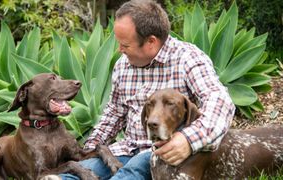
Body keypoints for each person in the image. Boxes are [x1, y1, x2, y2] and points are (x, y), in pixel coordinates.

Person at [60, 0, 235, 179]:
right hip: (125, 150)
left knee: (128, 173)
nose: (120, 50)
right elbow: (113, 115)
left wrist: (188, 140)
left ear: (151, 41)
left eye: (126, 45)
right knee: (81, 172)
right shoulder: (123, 65)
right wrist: (90, 149)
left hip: (162, 152)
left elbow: (220, 101)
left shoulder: (187, 58)